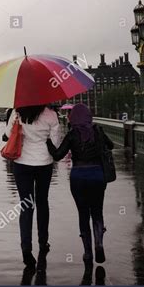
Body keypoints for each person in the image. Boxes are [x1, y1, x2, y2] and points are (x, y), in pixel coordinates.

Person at [46, 103, 113, 265]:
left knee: (83, 214)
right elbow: (110, 146)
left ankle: (88, 253)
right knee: (97, 212)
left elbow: (57, 155)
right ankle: (99, 243)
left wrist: (47, 141)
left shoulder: (72, 134)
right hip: (97, 175)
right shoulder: (97, 131)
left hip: (78, 177)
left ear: (73, 117)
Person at [5, 105, 60, 268]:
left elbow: (8, 134)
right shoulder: (51, 114)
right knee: (42, 202)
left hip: (22, 163)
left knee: (26, 206)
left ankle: (26, 249)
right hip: (44, 163)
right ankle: (43, 241)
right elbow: (55, 142)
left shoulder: (17, 112)